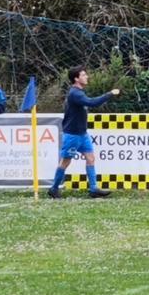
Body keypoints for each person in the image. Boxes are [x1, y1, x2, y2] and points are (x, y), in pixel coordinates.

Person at [47, 67, 119, 199]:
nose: (87, 77)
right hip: (72, 135)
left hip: (82, 134)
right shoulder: (75, 94)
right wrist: (110, 94)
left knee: (90, 158)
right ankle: (54, 188)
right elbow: (92, 103)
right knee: (65, 162)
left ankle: (93, 189)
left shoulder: (79, 92)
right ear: (76, 78)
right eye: (84, 75)